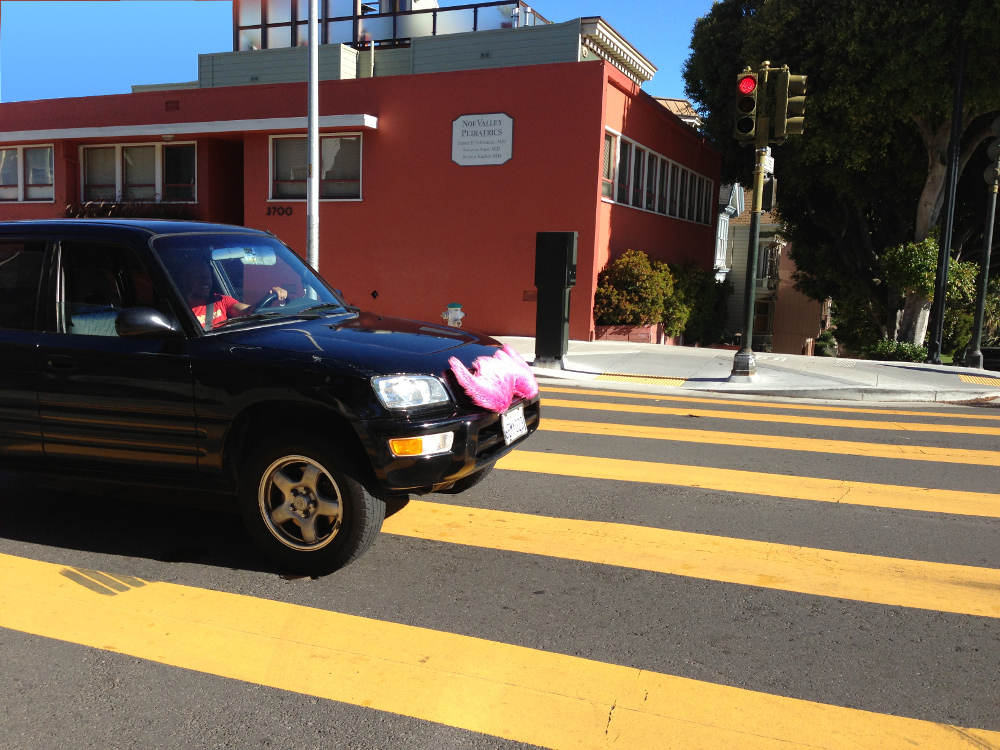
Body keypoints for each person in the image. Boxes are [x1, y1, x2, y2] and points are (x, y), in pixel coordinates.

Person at [178, 259, 287, 330]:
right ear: (183, 279)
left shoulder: (220, 300)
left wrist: (269, 296)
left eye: (208, 276)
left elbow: (248, 312)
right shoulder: (178, 309)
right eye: (199, 276)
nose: (206, 281)